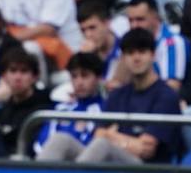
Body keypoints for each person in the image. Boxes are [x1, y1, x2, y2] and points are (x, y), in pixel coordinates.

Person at [77, 26, 181, 165]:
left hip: (150, 170)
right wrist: (127, 142)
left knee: (103, 145)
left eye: (142, 52)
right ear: (123, 58)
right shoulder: (117, 94)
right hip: (115, 163)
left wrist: (111, 136)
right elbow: (98, 134)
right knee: (61, 141)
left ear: (153, 55)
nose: (136, 58)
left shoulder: (166, 96)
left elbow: (146, 149)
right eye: (130, 53)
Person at [34, 51, 104, 162]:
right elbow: (41, 143)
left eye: (85, 75)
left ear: (99, 78)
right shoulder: (61, 108)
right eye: (74, 76)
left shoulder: (106, 108)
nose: (79, 82)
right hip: (55, 165)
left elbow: (99, 148)